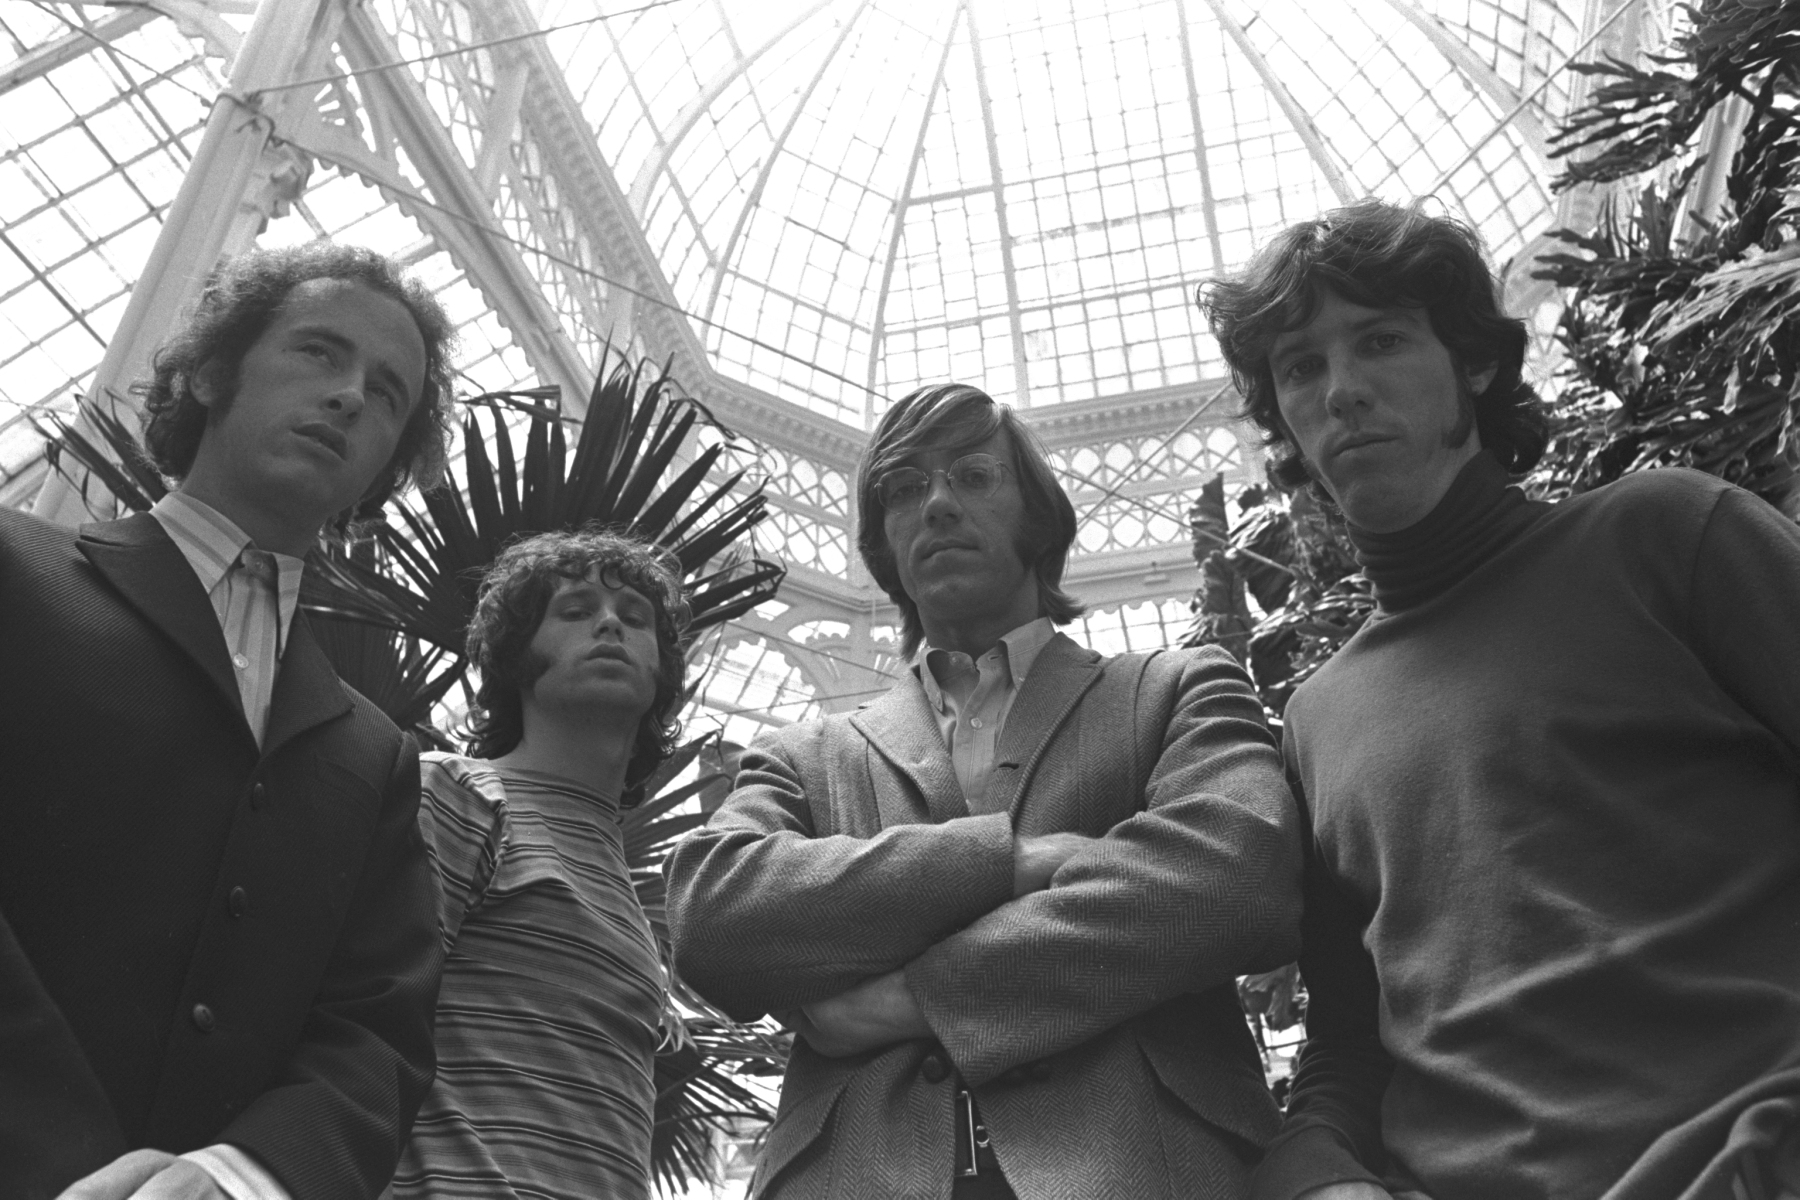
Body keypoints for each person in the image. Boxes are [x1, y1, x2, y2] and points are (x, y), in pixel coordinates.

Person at [1198, 199, 1800, 1200]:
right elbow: (1350, 1041)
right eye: (1300, 367)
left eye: (1381, 341)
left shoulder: (1667, 537)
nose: (1341, 390)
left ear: (1473, 365)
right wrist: (1315, 1176)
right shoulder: (1316, 719)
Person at [665, 383, 1303, 1200]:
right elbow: (711, 916)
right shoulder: (802, 757)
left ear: (1038, 517)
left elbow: (1238, 878)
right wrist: (1009, 861)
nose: (936, 504)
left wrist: (915, 998)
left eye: (972, 475)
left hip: (1143, 1168)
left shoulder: (1174, 690)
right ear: (883, 542)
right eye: (904, 488)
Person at [0, 243, 455, 1200]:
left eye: (387, 394)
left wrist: (243, 1175)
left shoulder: (374, 752)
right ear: (210, 370)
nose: (349, 396)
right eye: (319, 351)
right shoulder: (16, 570)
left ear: (387, 464)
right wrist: (60, 1162)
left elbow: (380, 1021)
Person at [390, 529, 685, 1199]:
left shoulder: (621, 880)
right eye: (575, 611)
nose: (610, 623)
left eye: (635, 617)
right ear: (517, 658)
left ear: (662, 672)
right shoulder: (459, 795)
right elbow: (356, 1023)